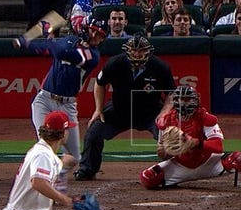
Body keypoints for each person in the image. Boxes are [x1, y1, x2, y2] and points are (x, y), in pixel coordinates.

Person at [139, 86, 241, 191]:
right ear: (175, 102)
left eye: (188, 99)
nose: (186, 103)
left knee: (238, 159)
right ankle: (173, 181)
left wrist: (195, 143)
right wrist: (164, 150)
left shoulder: (205, 117)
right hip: (180, 165)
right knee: (147, 178)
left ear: (195, 100)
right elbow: (162, 154)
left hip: (208, 163)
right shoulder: (165, 122)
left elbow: (218, 147)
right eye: (182, 99)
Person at [13, 18, 106, 188]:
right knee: (45, 145)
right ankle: (38, 179)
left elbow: (60, 52)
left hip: (67, 105)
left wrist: (48, 34)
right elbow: (47, 47)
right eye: (94, 31)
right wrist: (26, 42)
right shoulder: (69, 40)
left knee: (74, 157)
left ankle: (56, 174)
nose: (96, 36)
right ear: (85, 29)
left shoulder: (93, 56)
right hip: (44, 100)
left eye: (100, 35)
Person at [74, 35, 174, 181]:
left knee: (169, 134)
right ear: (127, 50)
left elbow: (171, 93)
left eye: (141, 50)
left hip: (150, 112)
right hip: (119, 110)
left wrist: (164, 113)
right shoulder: (115, 63)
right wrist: (98, 109)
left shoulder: (160, 67)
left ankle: (172, 172)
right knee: (94, 131)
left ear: (148, 51)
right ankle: (87, 169)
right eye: (133, 50)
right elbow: (100, 83)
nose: (137, 54)